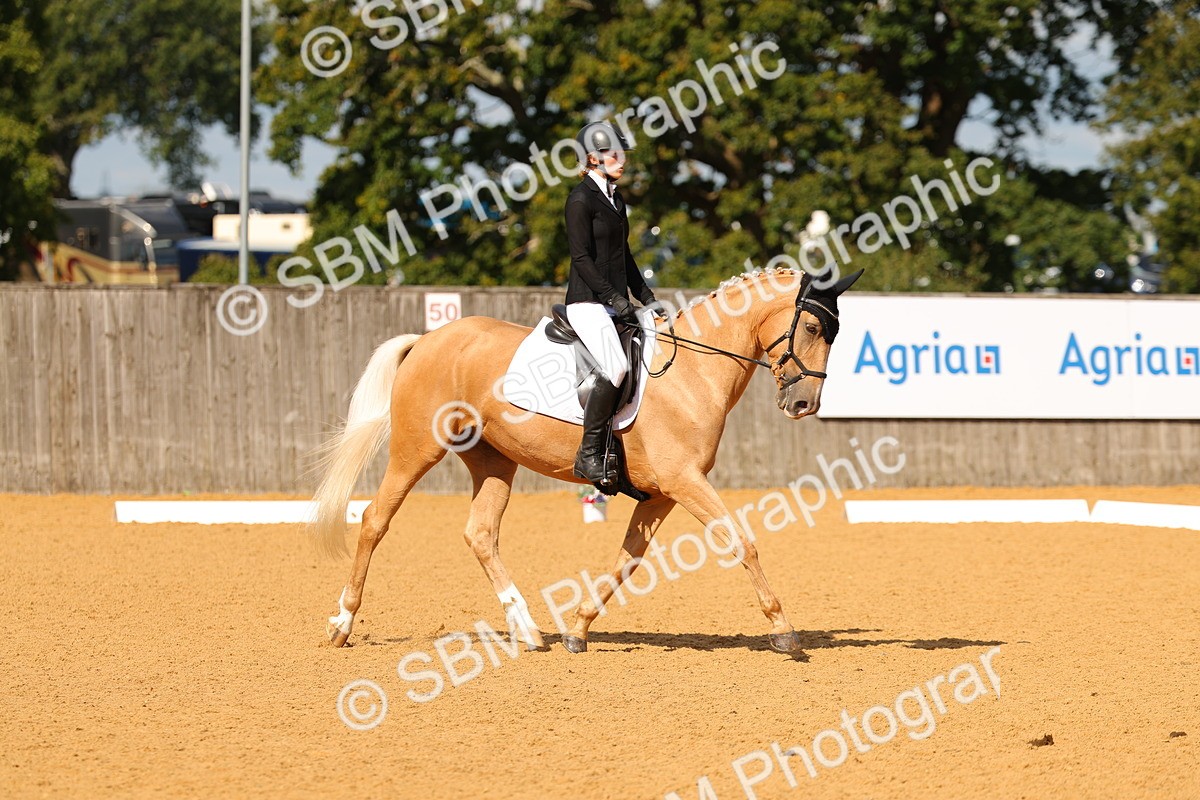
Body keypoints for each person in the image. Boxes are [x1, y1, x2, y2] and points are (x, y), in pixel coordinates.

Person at [564, 121, 661, 485]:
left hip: (615, 303)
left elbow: (625, 257)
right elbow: (581, 259)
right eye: (614, 154)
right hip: (587, 303)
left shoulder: (616, 199)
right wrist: (613, 298)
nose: (622, 160)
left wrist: (646, 297)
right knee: (617, 367)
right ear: (593, 158)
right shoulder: (579, 199)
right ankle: (589, 453)